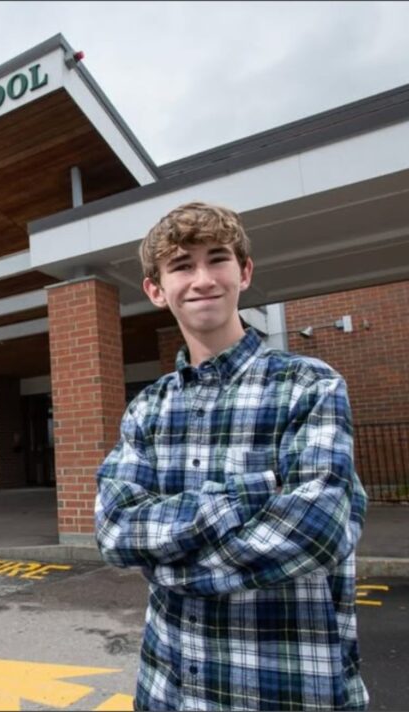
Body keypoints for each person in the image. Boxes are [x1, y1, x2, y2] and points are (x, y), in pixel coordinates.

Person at [94, 202, 368, 711]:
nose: (202, 279)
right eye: (181, 265)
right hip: (167, 692)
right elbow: (115, 530)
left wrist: (168, 567)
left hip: (280, 692)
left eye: (216, 259)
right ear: (156, 290)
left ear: (243, 272)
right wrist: (256, 492)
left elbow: (316, 529)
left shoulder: (308, 386)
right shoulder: (147, 409)